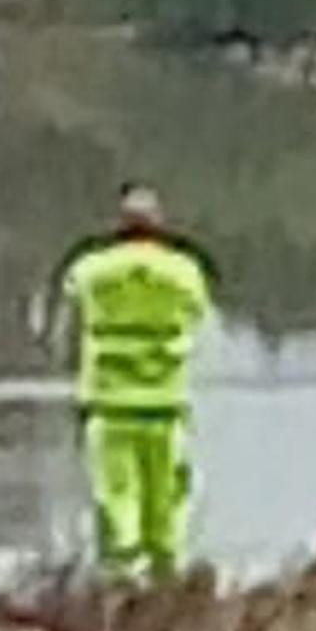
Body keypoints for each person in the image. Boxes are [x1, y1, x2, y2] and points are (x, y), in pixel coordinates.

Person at [57, 186, 215, 584]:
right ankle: (166, 576)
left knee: (116, 493)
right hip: (165, 401)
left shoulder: (93, 268)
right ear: (160, 225)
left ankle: (121, 575)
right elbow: (199, 310)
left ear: (119, 225)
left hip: (109, 402)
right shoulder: (184, 271)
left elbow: (70, 292)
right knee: (166, 496)